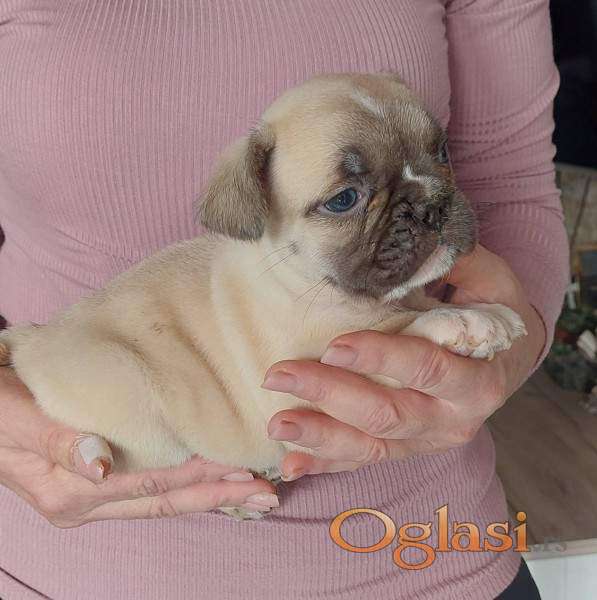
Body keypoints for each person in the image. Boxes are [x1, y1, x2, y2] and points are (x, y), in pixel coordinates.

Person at [0, 1, 568, 598]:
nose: (424, 204)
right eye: (346, 200)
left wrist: (510, 340)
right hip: (86, 560)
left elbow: (513, 182)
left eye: (436, 156)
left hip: (434, 546)